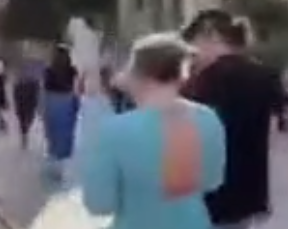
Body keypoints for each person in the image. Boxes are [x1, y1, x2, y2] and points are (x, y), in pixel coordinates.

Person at [80, 32, 226, 229]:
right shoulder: (207, 118)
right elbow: (212, 181)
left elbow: (99, 204)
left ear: (138, 73)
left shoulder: (115, 130)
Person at [182, 9, 281, 229]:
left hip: (208, 196)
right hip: (249, 191)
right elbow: (273, 132)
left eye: (195, 44)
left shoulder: (205, 80)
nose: (194, 53)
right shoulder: (265, 75)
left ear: (212, 35)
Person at [42, 44, 80, 181]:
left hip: (51, 101)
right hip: (66, 101)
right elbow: (76, 89)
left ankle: (53, 164)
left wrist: (42, 107)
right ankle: (60, 168)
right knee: (64, 135)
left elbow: (44, 89)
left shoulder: (48, 69)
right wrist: (76, 103)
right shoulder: (72, 70)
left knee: (52, 133)